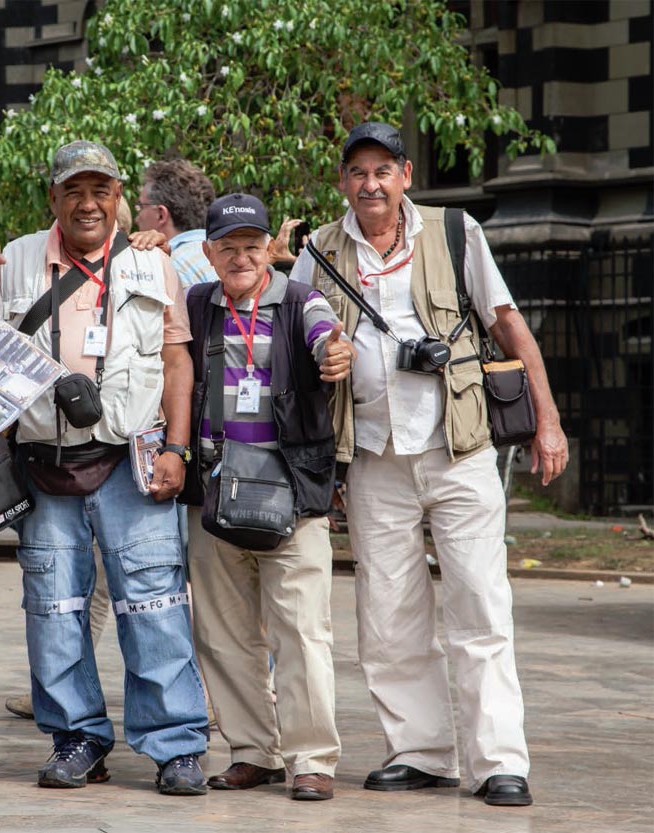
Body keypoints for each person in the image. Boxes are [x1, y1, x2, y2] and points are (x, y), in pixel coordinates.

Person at [290, 122, 569, 807]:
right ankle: (418, 751)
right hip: (374, 458)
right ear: (343, 183)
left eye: (383, 170)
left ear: (405, 175)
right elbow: (284, 332)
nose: (370, 184)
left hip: (459, 449)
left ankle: (498, 760)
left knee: (480, 604)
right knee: (387, 617)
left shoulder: (453, 231)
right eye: (357, 172)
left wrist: (549, 418)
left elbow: (507, 323)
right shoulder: (320, 250)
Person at [0, 140, 209, 795]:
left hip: (134, 459)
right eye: (74, 190)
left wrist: (177, 449)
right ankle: (77, 737)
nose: (89, 203)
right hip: (43, 463)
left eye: (102, 189)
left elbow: (178, 360)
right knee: (52, 605)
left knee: (154, 600)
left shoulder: (153, 264)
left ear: (120, 197)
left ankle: (176, 744)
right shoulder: (10, 261)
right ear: (53, 199)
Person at [182, 194, 351, 801]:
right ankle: (254, 751)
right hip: (215, 491)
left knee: (303, 630)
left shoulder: (299, 299)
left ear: (268, 251)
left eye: (252, 246)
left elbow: (325, 335)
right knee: (223, 632)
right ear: (208, 253)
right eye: (227, 247)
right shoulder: (197, 302)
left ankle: (312, 759)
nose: (240, 256)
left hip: (293, 491)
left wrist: (334, 352)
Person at [135, 159, 218, 292]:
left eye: (140, 206)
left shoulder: (167, 268)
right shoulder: (228, 259)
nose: (137, 219)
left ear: (161, 215)